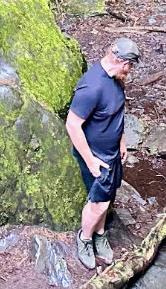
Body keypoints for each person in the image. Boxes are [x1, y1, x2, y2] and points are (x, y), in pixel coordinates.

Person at [65, 36, 140, 269]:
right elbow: (72, 124)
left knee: (107, 198)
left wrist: (122, 141)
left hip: (112, 152)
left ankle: (100, 234)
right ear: (122, 62)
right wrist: (91, 161)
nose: (130, 71)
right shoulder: (92, 86)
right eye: (130, 66)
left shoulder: (116, 79)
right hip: (97, 156)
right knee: (98, 202)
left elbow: (117, 112)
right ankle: (85, 239)